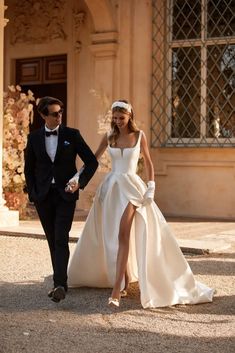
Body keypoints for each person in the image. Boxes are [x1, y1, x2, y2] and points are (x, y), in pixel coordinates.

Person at [67, 100, 214, 308]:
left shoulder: (139, 136)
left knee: (122, 233)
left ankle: (116, 290)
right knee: (114, 237)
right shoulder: (109, 136)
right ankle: (125, 278)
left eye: (122, 118)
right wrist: (75, 179)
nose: (118, 122)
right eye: (115, 118)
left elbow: (149, 162)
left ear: (130, 116)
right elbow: (92, 161)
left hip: (132, 189)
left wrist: (151, 186)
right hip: (111, 189)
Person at [24, 96, 98, 303]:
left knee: (60, 237)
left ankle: (59, 285)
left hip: (65, 195)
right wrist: (33, 193)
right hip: (43, 196)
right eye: (55, 114)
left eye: (61, 112)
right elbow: (29, 169)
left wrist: (79, 182)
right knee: (51, 238)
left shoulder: (72, 135)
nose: (59, 117)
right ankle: (59, 282)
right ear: (43, 115)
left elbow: (91, 162)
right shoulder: (34, 138)